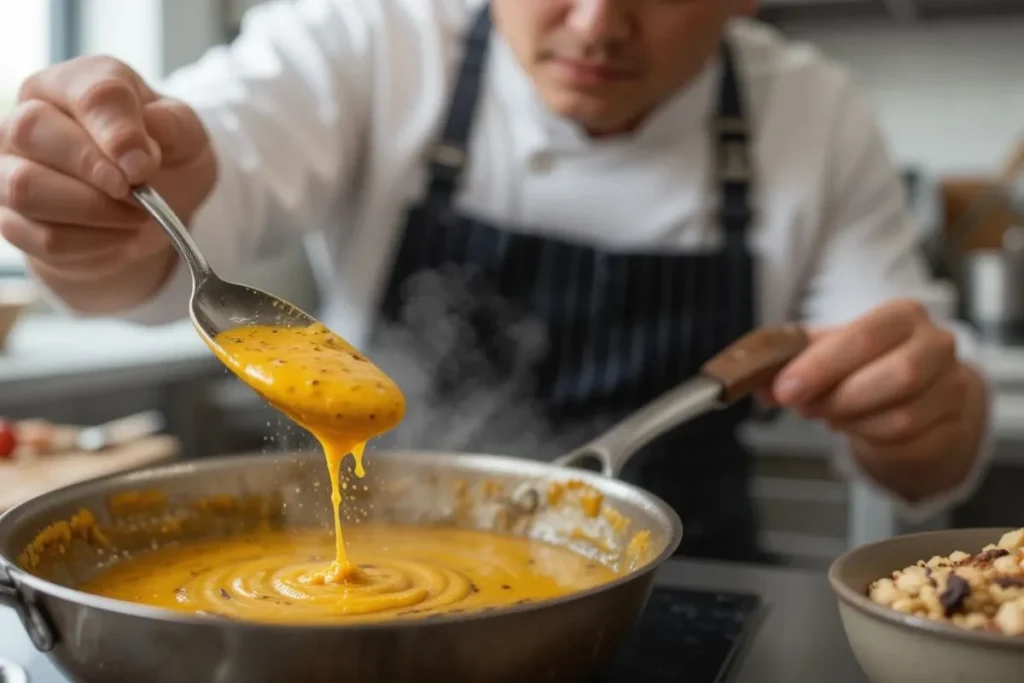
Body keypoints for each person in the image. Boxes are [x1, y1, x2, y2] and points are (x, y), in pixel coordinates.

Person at [0, 0, 993, 563]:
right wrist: (98, 220)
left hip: (695, 585)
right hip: (371, 579)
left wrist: (921, 419)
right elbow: (184, 197)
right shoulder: (368, 41)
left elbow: (919, 458)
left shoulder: (815, 116)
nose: (599, 23)